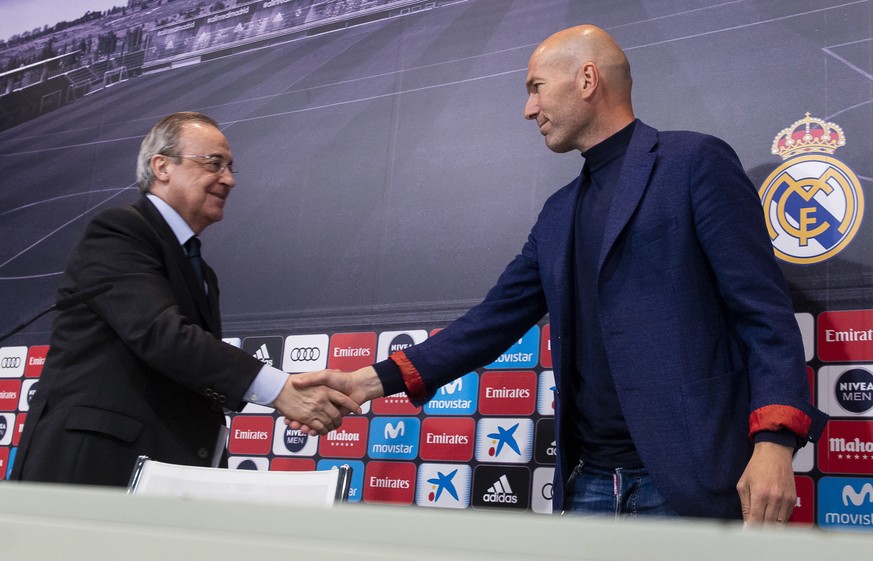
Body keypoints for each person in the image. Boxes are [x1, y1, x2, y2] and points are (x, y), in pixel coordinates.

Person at [292, 25, 828, 523]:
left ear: (587, 79)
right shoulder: (557, 212)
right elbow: (492, 321)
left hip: (691, 480)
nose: (529, 109)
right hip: (587, 482)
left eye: (536, 87)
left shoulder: (694, 162)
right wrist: (364, 382)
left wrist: (775, 443)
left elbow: (763, 314)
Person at [10, 112, 358, 487]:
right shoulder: (120, 230)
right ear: (161, 166)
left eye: (229, 167)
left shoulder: (201, 270)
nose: (228, 179)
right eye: (213, 163)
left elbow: (187, 374)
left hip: (162, 472)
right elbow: (161, 333)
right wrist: (280, 390)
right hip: (89, 472)